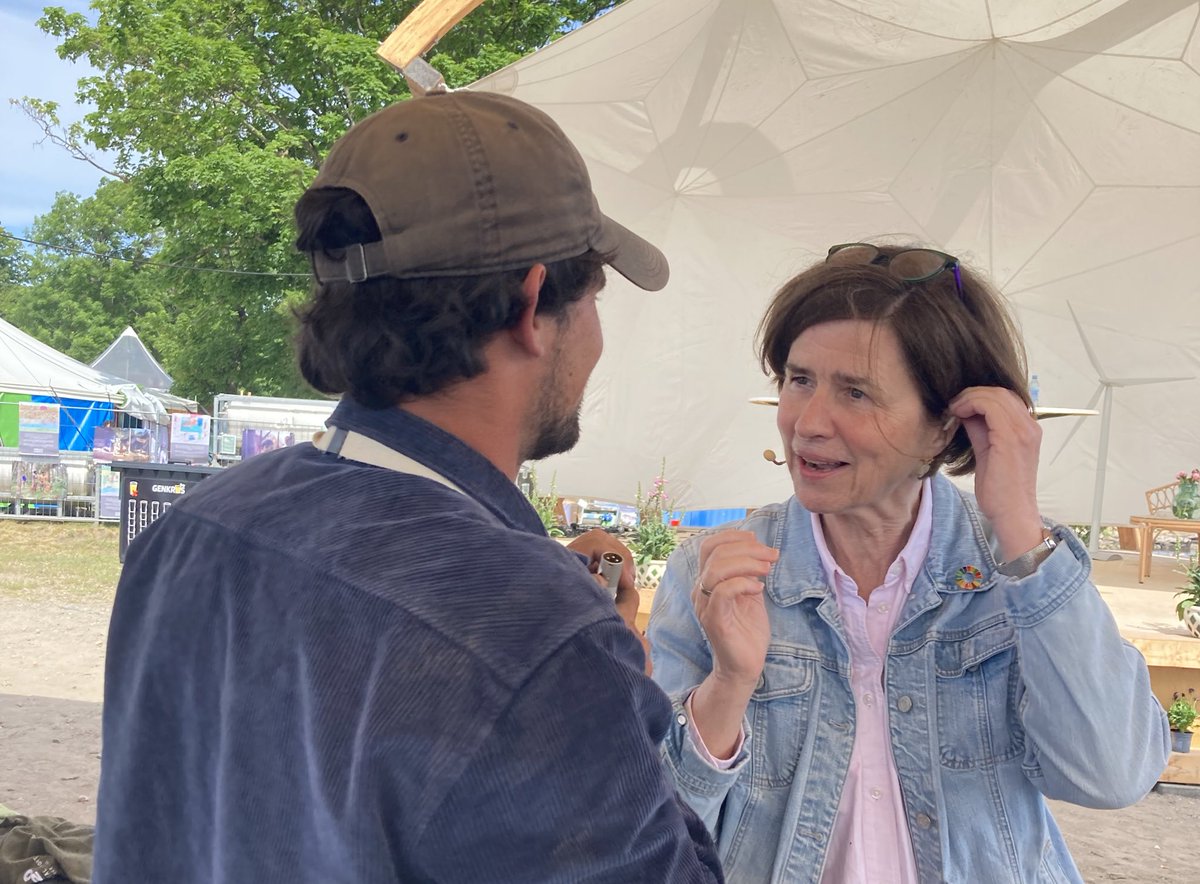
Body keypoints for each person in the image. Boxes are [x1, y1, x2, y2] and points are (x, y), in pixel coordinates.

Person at [93, 91, 723, 883]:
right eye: (594, 297)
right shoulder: (538, 630)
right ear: (533, 305)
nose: (596, 334)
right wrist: (595, 676)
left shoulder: (192, 532)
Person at [648, 243, 1170, 883]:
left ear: (945, 427)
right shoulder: (716, 572)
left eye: (857, 393)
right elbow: (657, 830)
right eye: (798, 379)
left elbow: (1110, 775)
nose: (807, 422)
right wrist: (729, 686)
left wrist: (1019, 527)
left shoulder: (1021, 572)